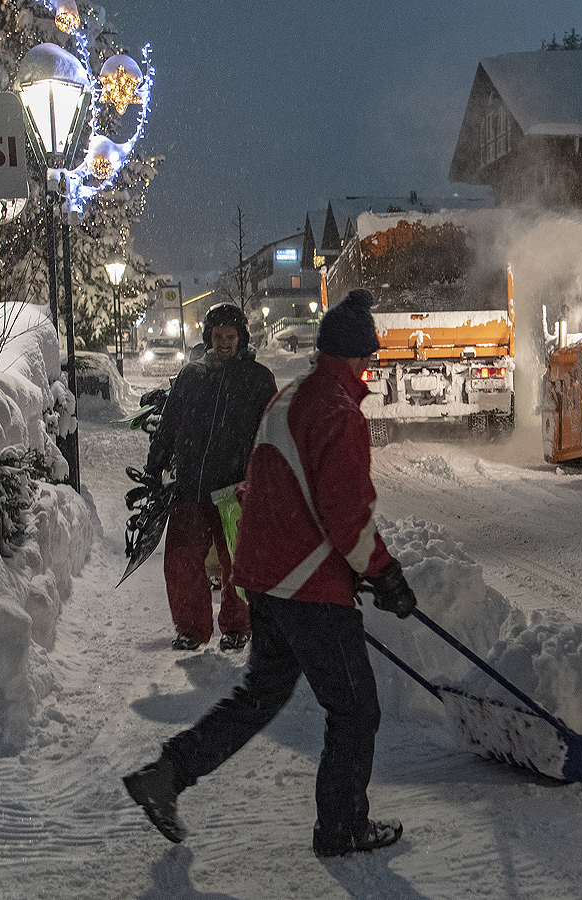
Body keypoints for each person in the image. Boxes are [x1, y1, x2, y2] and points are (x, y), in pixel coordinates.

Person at [123, 288, 419, 859]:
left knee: (258, 697)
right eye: (370, 358)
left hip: (264, 579)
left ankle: (166, 776)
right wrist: (383, 574)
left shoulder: (288, 399)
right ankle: (341, 829)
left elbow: (272, 488)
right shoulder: (339, 414)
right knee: (356, 709)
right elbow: (346, 514)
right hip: (307, 586)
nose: (371, 368)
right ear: (357, 358)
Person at [146, 303, 277, 652]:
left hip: (234, 489)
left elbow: (271, 433)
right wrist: (154, 463)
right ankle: (191, 629)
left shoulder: (258, 380)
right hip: (191, 485)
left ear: (242, 339)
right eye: (217, 336)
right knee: (180, 557)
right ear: (208, 338)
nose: (223, 343)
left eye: (230, 337)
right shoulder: (192, 377)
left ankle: (237, 627)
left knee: (236, 562)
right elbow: (170, 423)